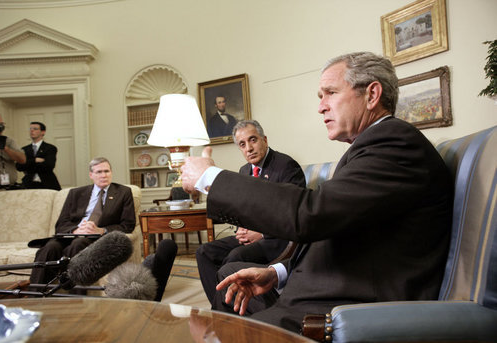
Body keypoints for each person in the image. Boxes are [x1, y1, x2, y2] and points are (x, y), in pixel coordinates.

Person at [180, 52, 453, 333]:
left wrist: (210, 177)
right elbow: (340, 230)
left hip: (344, 313)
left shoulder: (395, 143)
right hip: (321, 290)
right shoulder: (371, 147)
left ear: (372, 95)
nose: (320, 107)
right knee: (230, 283)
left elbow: (309, 214)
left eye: (330, 93)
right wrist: (277, 273)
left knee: (218, 335)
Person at [196, 120, 306, 302]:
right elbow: (243, 209)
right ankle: (220, 305)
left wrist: (262, 233)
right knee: (204, 252)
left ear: (264, 140)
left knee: (234, 257)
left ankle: (228, 305)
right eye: (242, 144)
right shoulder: (244, 170)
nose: (249, 148)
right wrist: (241, 227)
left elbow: (292, 213)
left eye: (253, 140)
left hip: (278, 239)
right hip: (251, 236)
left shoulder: (286, 166)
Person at [29, 157, 136, 285]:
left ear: (111, 172)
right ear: (91, 175)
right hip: (72, 234)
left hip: (96, 237)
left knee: (78, 245)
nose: (104, 175)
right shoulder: (76, 193)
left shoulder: (123, 192)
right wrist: (76, 230)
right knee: (50, 247)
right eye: (99, 172)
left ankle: (73, 291)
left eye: (106, 171)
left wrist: (101, 230)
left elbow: (128, 225)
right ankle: (35, 293)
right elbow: (61, 224)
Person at [16, 121, 61, 190]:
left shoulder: (50, 148)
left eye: (35, 129)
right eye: (30, 129)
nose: (32, 131)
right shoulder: (24, 149)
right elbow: (19, 167)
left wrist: (28, 163)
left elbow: (49, 166)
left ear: (43, 132)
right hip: (29, 184)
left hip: (48, 184)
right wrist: (35, 160)